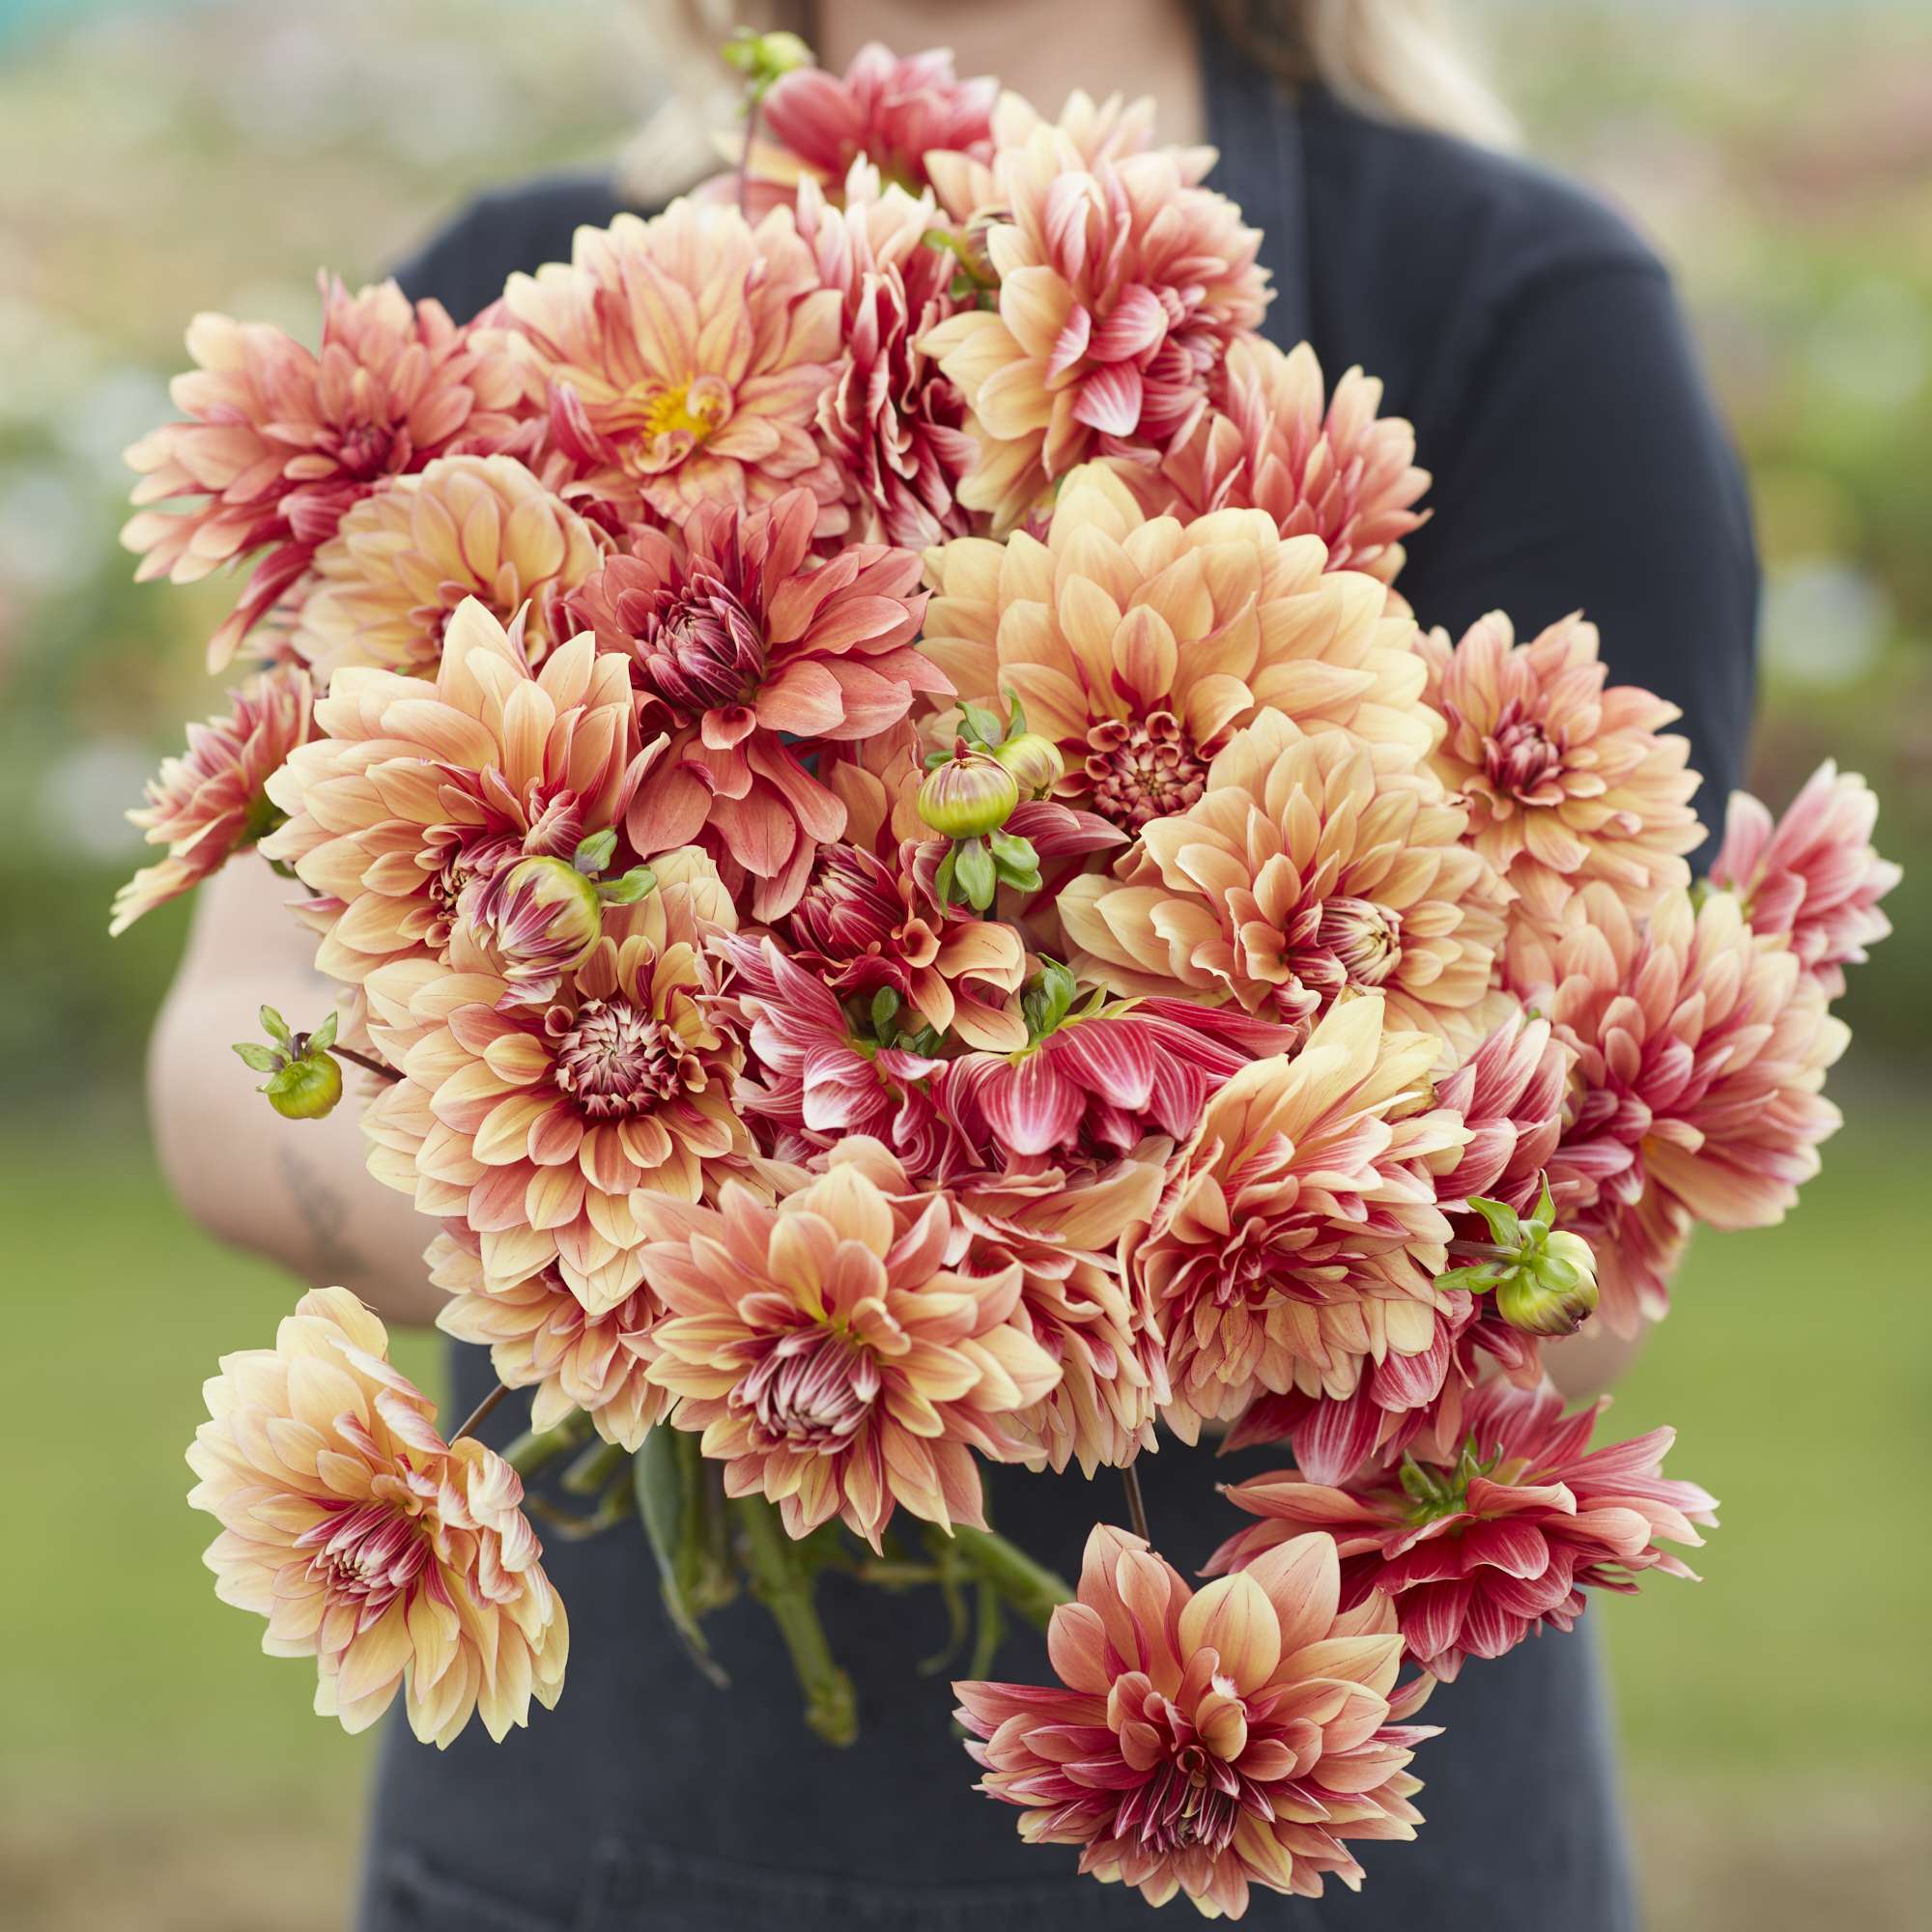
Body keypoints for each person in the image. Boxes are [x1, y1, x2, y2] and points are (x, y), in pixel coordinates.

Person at [148, 2, 1757, 1925]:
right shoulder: (504, 296)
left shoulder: (1518, 301)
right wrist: (741, 1304)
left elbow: (1577, 1254)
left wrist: (905, 1291)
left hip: (1299, 1810)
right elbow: (233, 1040)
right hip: (603, 1847)